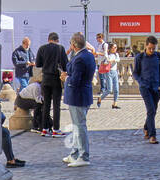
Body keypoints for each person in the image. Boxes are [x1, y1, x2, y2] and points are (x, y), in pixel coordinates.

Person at [61, 31, 96, 166]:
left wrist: (66, 78)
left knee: (79, 127)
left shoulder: (80, 58)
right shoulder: (87, 55)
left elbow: (75, 80)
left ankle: (83, 156)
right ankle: (75, 153)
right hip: (83, 95)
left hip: (78, 96)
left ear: (74, 45)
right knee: (77, 127)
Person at [133, 35, 160, 144]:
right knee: (151, 110)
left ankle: (146, 127)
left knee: (153, 110)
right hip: (145, 87)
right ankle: (153, 135)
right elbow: (135, 73)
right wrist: (141, 82)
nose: (151, 50)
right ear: (146, 46)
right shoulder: (140, 57)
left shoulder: (159, 56)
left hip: (156, 87)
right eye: (150, 48)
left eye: (153, 48)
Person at [34, 31, 68, 137]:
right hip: (55, 79)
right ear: (57, 40)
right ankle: (56, 129)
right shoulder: (60, 48)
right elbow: (65, 64)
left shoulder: (42, 48)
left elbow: (38, 64)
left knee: (46, 104)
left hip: (45, 79)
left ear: (48, 39)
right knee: (56, 105)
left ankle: (44, 128)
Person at [101, 42, 121, 109]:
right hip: (109, 72)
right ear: (111, 48)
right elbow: (105, 62)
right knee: (109, 89)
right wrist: (107, 61)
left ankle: (114, 104)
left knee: (116, 89)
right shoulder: (107, 55)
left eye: (116, 47)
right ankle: (100, 98)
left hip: (115, 72)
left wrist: (113, 60)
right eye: (114, 47)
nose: (115, 48)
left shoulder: (116, 54)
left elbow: (118, 60)